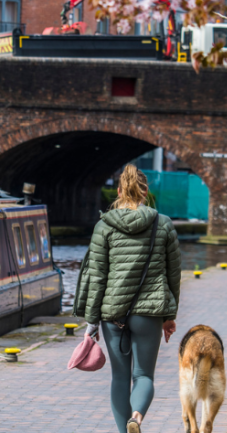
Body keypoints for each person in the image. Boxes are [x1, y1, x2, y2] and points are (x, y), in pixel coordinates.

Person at [74, 165, 181, 433]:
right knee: (143, 375)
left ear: (120, 190)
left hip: (113, 314)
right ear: (145, 192)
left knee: (119, 378)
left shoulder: (103, 226)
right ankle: (137, 417)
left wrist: (91, 322)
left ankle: (125, 431)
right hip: (150, 312)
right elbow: (173, 275)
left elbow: (96, 277)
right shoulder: (163, 223)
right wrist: (170, 316)